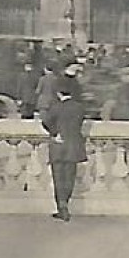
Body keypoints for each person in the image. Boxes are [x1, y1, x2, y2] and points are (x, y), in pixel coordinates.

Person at [42, 84, 89, 222]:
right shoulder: (79, 108)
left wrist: (54, 133)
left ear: (58, 93)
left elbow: (45, 121)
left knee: (58, 178)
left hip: (58, 145)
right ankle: (65, 204)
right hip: (73, 145)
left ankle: (61, 206)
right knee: (70, 177)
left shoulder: (55, 107)